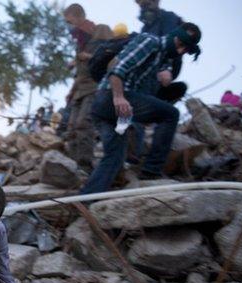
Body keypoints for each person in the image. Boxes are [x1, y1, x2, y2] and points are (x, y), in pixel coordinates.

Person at [80, 23, 202, 194]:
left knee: (114, 157)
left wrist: (166, 72)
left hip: (108, 110)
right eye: (180, 45)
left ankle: (86, 199)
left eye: (186, 50)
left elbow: (164, 62)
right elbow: (117, 70)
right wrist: (118, 97)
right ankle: (151, 171)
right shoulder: (149, 41)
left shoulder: (165, 55)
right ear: (173, 35)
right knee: (171, 114)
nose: (181, 51)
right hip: (111, 98)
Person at [65, 4, 112, 172]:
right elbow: (80, 73)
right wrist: (71, 92)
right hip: (79, 90)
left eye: (69, 21)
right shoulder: (80, 44)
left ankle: (84, 166)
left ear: (79, 17)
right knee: (71, 129)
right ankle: (71, 166)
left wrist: (91, 57)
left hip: (94, 87)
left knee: (83, 125)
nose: (68, 26)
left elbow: (112, 55)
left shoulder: (101, 30)